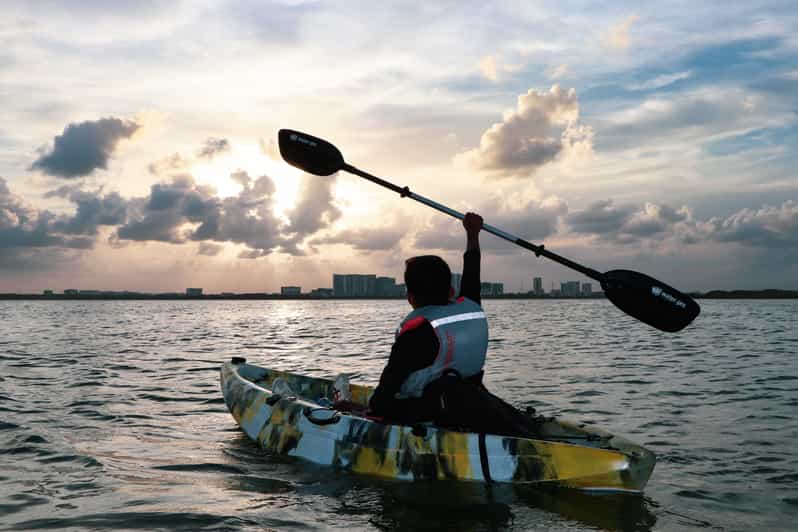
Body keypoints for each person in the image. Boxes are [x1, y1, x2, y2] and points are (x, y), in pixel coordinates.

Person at [366, 212, 489, 425]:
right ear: (451, 290)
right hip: (472, 402)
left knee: (380, 408)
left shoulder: (416, 333)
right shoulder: (471, 307)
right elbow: (472, 272)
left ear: (410, 297)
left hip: (429, 416)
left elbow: (381, 400)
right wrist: (472, 234)